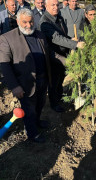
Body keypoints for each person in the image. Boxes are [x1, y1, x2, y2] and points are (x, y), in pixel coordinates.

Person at [0, 8, 51, 143]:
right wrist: (14, 86)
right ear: (17, 21)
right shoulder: (7, 38)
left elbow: (49, 55)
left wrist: (67, 61)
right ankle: (32, 134)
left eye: (31, 22)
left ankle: (37, 122)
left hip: (42, 79)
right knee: (29, 110)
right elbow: (4, 65)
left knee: (40, 104)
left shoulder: (39, 34)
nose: (29, 26)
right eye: (25, 22)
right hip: (24, 83)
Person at [39, 0, 85, 112]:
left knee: (61, 78)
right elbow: (56, 38)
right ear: (46, 6)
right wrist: (75, 45)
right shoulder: (45, 22)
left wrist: (71, 39)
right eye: (52, 5)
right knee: (54, 81)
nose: (56, 7)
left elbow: (63, 35)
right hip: (53, 57)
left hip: (63, 53)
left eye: (57, 4)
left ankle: (59, 97)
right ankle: (54, 104)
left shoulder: (59, 18)